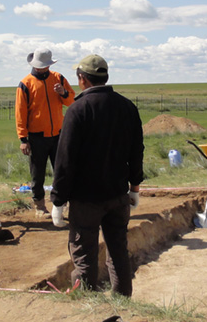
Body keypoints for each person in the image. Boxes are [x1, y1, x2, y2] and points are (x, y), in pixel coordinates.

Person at [50, 55, 144, 297]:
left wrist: (58, 200)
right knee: (118, 252)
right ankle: (123, 300)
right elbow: (136, 150)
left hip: (85, 200)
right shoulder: (127, 107)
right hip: (117, 196)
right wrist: (134, 186)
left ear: (82, 79)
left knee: (84, 257)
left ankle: (86, 306)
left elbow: (65, 160)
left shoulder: (77, 110)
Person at [15, 47, 75, 217]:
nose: (43, 68)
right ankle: (40, 207)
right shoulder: (25, 84)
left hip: (58, 135)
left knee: (62, 171)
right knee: (37, 174)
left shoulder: (59, 78)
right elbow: (20, 113)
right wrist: (23, 138)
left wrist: (63, 93)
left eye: (46, 65)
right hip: (36, 137)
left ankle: (61, 204)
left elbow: (71, 101)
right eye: (41, 66)